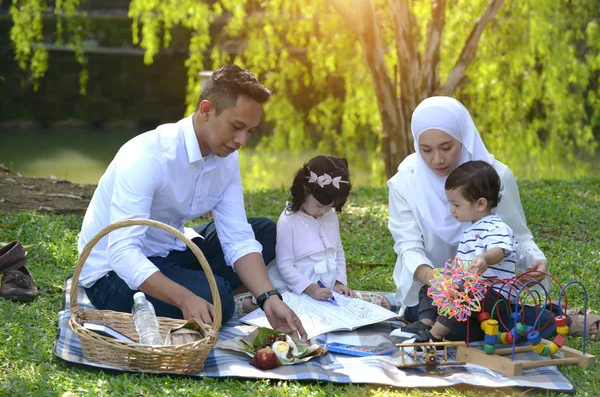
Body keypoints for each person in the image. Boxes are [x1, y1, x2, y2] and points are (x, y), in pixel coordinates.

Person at [77, 65, 306, 338]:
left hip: (171, 248)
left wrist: (269, 297)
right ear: (206, 110)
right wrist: (185, 298)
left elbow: (237, 236)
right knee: (218, 296)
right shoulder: (146, 156)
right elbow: (123, 254)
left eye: (251, 131)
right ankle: (206, 293)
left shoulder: (226, 157)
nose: (242, 140)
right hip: (113, 275)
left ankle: (203, 290)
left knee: (267, 232)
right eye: (237, 127)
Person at [388, 96, 598, 341]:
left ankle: (562, 320)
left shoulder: (495, 176)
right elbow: (408, 247)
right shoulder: (405, 181)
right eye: (426, 150)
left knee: (479, 317)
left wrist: (534, 260)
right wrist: (435, 278)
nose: (437, 159)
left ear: (464, 138)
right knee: (454, 325)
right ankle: (548, 318)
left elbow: (517, 235)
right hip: (435, 291)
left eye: (446, 147)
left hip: (488, 290)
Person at [409, 160, 518, 342]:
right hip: (470, 290)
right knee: (431, 286)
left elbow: (499, 250)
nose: (451, 209)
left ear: (480, 204)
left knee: (461, 294)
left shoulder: (495, 226)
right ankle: (425, 323)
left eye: (456, 205)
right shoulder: (471, 229)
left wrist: (484, 258)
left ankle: (435, 335)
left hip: (494, 295)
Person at [263, 155, 390, 308]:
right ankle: (252, 304)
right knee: (293, 308)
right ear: (304, 191)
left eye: (330, 206)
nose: (323, 211)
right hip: (295, 289)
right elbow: (285, 265)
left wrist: (339, 282)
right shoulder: (288, 221)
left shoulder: (330, 216)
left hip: (324, 290)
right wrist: (310, 289)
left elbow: (338, 251)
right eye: (319, 205)